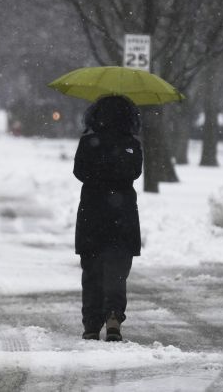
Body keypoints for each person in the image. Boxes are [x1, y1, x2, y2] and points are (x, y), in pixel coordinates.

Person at [73, 95, 143, 341]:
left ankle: (91, 323)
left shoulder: (88, 142)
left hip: (92, 212)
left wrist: (98, 174)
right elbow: (134, 172)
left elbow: (79, 172)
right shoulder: (131, 144)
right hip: (122, 214)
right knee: (117, 271)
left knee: (91, 270)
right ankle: (113, 315)